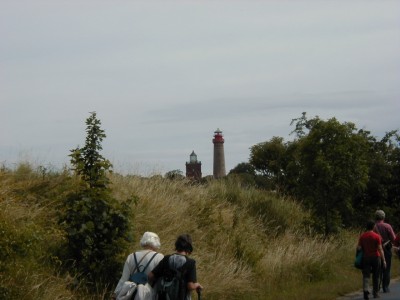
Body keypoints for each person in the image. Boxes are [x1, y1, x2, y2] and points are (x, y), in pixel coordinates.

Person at [148, 234, 203, 300]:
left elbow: (150, 276)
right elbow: (190, 286)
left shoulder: (166, 259)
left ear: (176, 245)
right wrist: (197, 285)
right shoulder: (190, 263)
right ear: (189, 248)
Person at [112, 232, 164, 300]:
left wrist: (115, 294)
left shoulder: (131, 256)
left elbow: (124, 279)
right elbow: (160, 282)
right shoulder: (159, 257)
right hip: (149, 296)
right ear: (156, 242)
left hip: (131, 295)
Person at [357, 220, 386, 300]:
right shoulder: (377, 236)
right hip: (376, 257)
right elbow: (380, 249)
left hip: (366, 257)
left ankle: (365, 290)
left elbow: (359, 248)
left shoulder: (362, 236)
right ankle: (375, 293)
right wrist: (384, 260)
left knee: (366, 275)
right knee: (376, 275)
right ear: (373, 226)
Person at [373, 209, 396, 293]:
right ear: (384, 217)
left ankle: (377, 287)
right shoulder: (387, 226)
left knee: (377, 268)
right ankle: (385, 287)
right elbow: (394, 239)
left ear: (375, 217)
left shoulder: (373, 226)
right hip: (386, 249)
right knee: (387, 268)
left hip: (375, 249)